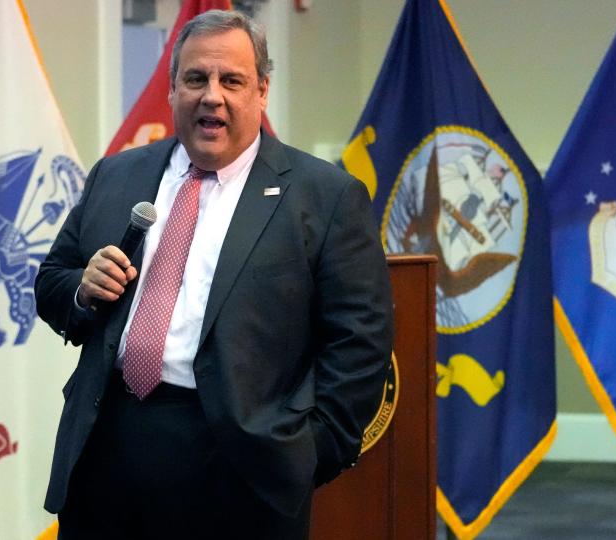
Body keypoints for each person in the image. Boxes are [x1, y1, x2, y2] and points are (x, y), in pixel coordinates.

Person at [35, 9, 392, 540]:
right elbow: (53, 280)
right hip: (106, 448)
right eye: (196, 79)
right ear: (173, 90)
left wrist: (308, 453)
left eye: (232, 81)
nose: (212, 96)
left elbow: (359, 344)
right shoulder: (117, 173)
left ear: (262, 91)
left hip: (241, 465)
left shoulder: (325, 196)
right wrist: (83, 291)